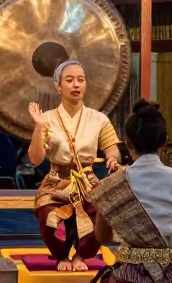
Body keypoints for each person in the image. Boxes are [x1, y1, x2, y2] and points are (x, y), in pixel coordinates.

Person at [87, 100, 172, 283]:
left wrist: (133, 237)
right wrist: (168, 234)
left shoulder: (112, 184)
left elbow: (102, 236)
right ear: (165, 142)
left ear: (127, 142)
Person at [27, 60, 121, 271]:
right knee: (48, 214)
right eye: (69, 80)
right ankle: (62, 256)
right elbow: (35, 159)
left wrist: (112, 158)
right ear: (58, 86)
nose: (76, 85)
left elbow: (111, 147)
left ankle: (81, 255)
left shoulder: (99, 119)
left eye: (81, 80)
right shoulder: (47, 118)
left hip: (86, 181)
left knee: (101, 212)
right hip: (56, 183)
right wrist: (39, 127)